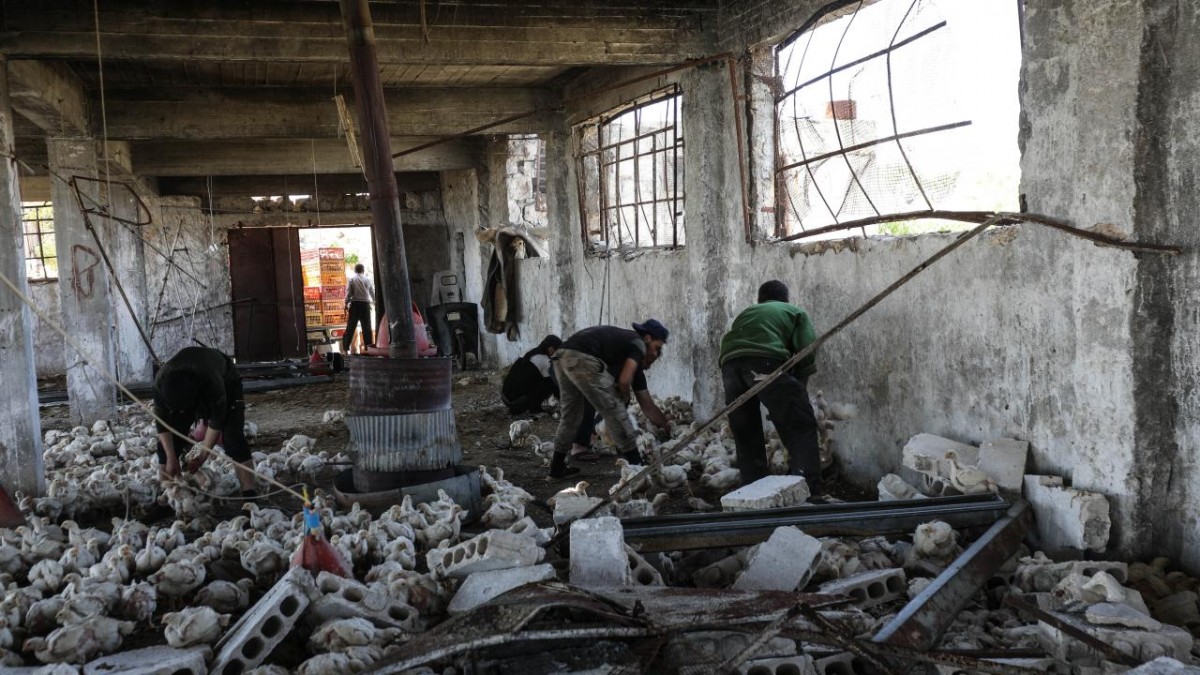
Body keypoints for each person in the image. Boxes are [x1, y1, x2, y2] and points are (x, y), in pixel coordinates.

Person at [719, 280, 822, 489]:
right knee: (800, 425)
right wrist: (797, 393)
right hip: (764, 361)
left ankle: (754, 487)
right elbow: (807, 351)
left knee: (745, 429)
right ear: (785, 299)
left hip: (729, 364)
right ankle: (808, 487)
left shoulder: (748, 312)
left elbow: (740, 346)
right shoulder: (794, 312)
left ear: (760, 300)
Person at [548, 320, 673, 479]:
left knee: (571, 415)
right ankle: (637, 465)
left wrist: (667, 426)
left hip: (561, 356)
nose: (655, 354)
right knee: (615, 409)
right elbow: (624, 381)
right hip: (581, 358)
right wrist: (623, 398)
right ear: (648, 338)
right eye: (657, 348)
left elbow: (647, 405)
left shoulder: (626, 350)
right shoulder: (638, 343)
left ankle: (556, 468)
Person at [153, 346, 256, 496]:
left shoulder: (213, 384)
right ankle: (167, 497)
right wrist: (170, 457)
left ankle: (250, 497)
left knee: (233, 439)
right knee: (167, 445)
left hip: (227, 381)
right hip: (186, 390)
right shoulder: (160, 384)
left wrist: (201, 458)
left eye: (184, 410)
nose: (181, 413)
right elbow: (162, 424)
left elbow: (216, 423)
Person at [501, 335, 563, 415]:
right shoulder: (544, 360)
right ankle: (535, 409)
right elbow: (555, 387)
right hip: (516, 403)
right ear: (551, 349)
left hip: (506, 398)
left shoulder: (531, 353)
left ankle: (519, 408)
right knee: (549, 383)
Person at [343, 263, 375, 353]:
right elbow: (372, 292)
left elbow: (349, 293)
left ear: (355, 271)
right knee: (367, 328)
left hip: (355, 305)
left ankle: (345, 349)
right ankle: (368, 348)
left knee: (351, 327)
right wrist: (374, 302)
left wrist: (346, 302)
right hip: (365, 305)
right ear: (363, 270)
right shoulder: (367, 280)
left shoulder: (352, 279)